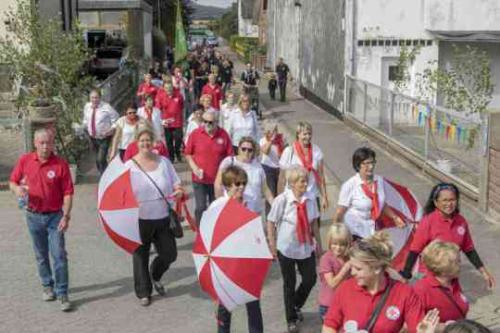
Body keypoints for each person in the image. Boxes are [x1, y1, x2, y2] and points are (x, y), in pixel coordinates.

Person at [9, 128, 74, 311]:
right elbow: (12, 182)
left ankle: (62, 292)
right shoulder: (25, 160)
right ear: (35, 143)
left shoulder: (60, 164)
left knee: (59, 254)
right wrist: (18, 190)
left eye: (48, 142)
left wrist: (67, 216)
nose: (45, 146)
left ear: (53, 143)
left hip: (55, 217)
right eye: (42, 143)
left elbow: (68, 193)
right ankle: (47, 285)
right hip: (33, 216)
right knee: (40, 255)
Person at [322, 232, 425, 333]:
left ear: (376, 268)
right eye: (351, 267)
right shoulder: (345, 288)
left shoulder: (404, 293)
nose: (352, 273)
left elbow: (417, 328)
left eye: (358, 269)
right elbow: (329, 326)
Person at [125, 127, 183, 306]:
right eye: (142, 140)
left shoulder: (164, 162)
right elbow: (123, 192)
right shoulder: (129, 166)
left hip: (163, 217)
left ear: (153, 142)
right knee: (140, 255)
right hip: (140, 219)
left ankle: (155, 273)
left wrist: (179, 191)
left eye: (148, 140)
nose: (145, 144)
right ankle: (144, 292)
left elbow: (176, 183)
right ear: (136, 143)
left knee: (170, 254)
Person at [400, 183, 495, 289]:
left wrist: (484, 272)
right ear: (436, 202)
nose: (449, 204)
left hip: (452, 275)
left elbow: (469, 249)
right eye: (444, 200)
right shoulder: (428, 222)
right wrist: (406, 276)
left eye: (452, 200)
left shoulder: (461, 221)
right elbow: (414, 251)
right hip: (431, 277)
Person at [267, 166, 323, 333]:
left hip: (305, 246)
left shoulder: (310, 199)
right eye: (301, 181)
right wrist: (272, 243)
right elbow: (271, 221)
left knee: (310, 279)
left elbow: (314, 223)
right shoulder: (282, 200)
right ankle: (291, 319)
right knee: (289, 284)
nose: (305, 184)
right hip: (286, 248)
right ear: (291, 183)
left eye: (306, 180)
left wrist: (318, 244)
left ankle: (296, 304)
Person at [211, 166, 264, 333]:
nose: (242, 187)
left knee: (254, 306)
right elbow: (212, 235)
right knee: (225, 309)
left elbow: (257, 228)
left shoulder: (251, 201)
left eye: (244, 183)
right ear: (227, 186)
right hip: (226, 262)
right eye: (237, 184)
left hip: (248, 259)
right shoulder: (218, 206)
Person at [333, 147, 405, 240]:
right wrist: (335, 236)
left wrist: (395, 218)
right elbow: (339, 212)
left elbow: (380, 204)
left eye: (372, 162)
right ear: (358, 165)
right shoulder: (350, 185)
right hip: (354, 232)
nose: (371, 166)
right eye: (367, 163)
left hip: (372, 230)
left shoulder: (379, 181)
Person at [184, 110, 233, 225]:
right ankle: (200, 231)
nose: (207, 124)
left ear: (216, 122)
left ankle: (211, 230)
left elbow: (230, 156)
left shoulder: (223, 135)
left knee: (214, 207)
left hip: (217, 180)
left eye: (210, 122)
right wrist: (194, 168)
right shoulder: (196, 133)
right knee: (201, 207)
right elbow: (187, 154)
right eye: (204, 121)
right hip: (199, 179)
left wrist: (224, 174)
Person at [413, 241, 468, 329]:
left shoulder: (453, 281)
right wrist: (446, 327)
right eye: (456, 262)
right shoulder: (421, 290)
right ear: (443, 268)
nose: (460, 265)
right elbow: (414, 324)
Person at [279, 121, 328, 214]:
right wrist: (280, 199)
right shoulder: (289, 151)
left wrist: (324, 197)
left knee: (314, 227)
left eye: (309, 134)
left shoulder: (317, 151)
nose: (308, 137)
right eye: (304, 134)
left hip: (312, 197)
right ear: (298, 134)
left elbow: (321, 177)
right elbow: (281, 179)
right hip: (293, 198)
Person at [215, 137, 273, 215]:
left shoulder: (258, 166)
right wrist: (221, 205)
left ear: (253, 152)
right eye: (244, 149)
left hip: (255, 211)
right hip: (234, 210)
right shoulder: (229, 162)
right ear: (239, 149)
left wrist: (274, 204)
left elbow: (265, 189)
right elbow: (218, 184)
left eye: (250, 150)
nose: (246, 152)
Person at [318, 224, 352, 322]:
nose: (338, 248)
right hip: (329, 305)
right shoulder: (326, 259)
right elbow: (332, 284)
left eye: (342, 244)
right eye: (335, 244)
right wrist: (346, 267)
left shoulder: (349, 257)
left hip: (347, 303)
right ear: (329, 242)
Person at [82, 89, 119, 175]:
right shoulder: (87, 106)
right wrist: (82, 126)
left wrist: (111, 129)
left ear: (100, 98)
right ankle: (103, 174)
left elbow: (117, 119)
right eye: (92, 98)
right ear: (89, 98)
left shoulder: (106, 107)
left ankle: (105, 176)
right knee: (97, 160)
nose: (94, 100)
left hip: (104, 137)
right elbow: (85, 120)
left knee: (101, 159)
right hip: (92, 138)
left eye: (96, 97)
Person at [156, 79, 184, 163]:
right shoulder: (161, 96)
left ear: (172, 87)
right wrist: (162, 120)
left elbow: (182, 105)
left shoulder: (178, 95)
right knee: (169, 141)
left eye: (170, 87)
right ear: (164, 88)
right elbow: (158, 109)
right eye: (166, 88)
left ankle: (178, 152)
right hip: (167, 123)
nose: (168, 89)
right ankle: (171, 157)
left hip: (177, 121)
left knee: (178, 138)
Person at [260, 120, 286, 198]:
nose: (276, 132)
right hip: (268, 169)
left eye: (276, 130)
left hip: (279, 169)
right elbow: (266, 151)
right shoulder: (263, 140)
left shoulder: (281, 139)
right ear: (268, 132)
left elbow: (286, 153)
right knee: (271, 193)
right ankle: (270, 209)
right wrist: (271, 140)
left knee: (280, 194)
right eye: (273, 130)